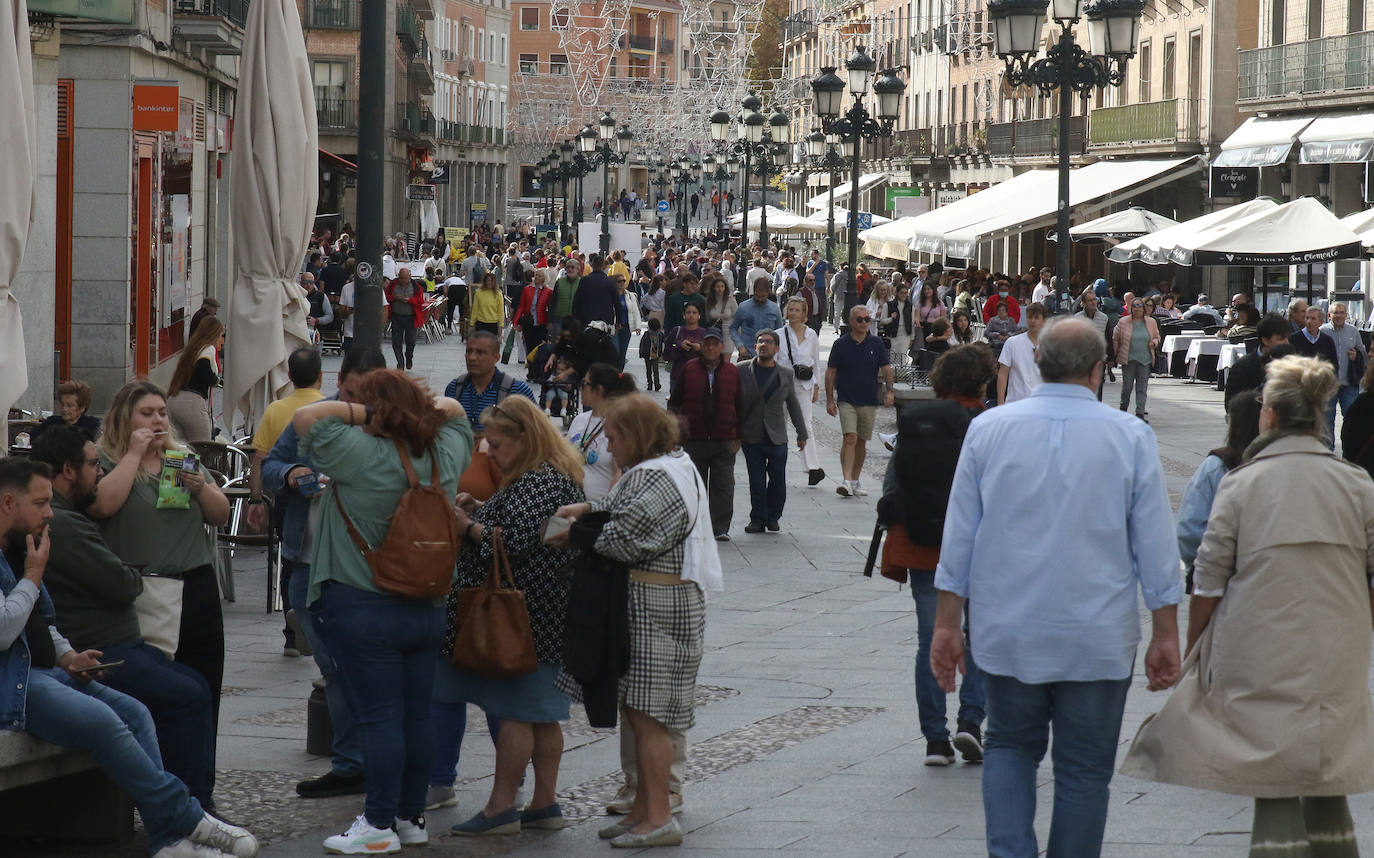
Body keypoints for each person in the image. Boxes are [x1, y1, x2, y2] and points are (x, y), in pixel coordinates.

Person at [931, 316, 1182, 858]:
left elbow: (960, 536)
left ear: (1037, 364)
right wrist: (1166, 629)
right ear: (1099, 370)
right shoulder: (1131, 436)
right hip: (1096, 636)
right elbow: (1157, 545)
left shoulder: (989, 430)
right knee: (1085, 771)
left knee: (1009, 749)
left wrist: (948, 623)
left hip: (1008, 629)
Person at [1123, 355, 1374, 857]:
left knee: (1272, 769)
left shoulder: (1241, 484)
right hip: (1338, 645)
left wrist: (1194, 649)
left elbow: (1208, 579)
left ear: (1272, 416)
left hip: (1258, 645)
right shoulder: (1357, 484)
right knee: (1328, 771)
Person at [0, 457, 261, 858]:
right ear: (7, 504)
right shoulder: (26, 556)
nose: (49, 513)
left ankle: (167, 841)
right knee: (104, 721)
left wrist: (69, 655)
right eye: (40, 503)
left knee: (136, 713)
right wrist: (34, 576)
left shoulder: (21, 546)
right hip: (13, 682)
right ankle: (189, 818)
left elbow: (40, 621)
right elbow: (3, 630)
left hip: (46, 669)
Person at [294, 371, 473, 854]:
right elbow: (456, 413)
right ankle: (410, 817)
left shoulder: (358, 454)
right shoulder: (447, 453)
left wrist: (362, 414)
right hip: (429, 604)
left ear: (375, 411)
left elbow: (305, 417)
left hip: (364, 603)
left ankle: (376, 824)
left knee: (378, 718)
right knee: (417, 717)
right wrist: (420, 409)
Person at [549, 394, 723, 848]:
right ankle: (645, 809)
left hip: (658, 604)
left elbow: (628, 537)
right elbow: (623, 511)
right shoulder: (669, 466)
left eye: (613, 439)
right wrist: (589, 514)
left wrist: (579, 536)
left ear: (634, 437)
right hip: (650, 599)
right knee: (640, 713)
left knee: (651, 719)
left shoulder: (658, 477)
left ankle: (660, 817)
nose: (609, 449)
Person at [31, 425, 218, 811]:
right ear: (69, 470)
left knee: (192, 685)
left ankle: (188, 806)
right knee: (185, 696)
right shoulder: (65, 523)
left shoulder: (70, 516)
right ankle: (185, 810)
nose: (99, 471)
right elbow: (121, 584)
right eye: (93, 464)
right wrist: (128, 571)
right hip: (98, 649)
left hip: (109, 644)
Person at [435, 396, 583, 837]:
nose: (488, 452)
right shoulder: (553, 476)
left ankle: (501, 808)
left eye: (496, 445)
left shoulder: (535, 481)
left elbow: (515, 542)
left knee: (518, 711)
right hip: (547, 611)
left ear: (525, 439)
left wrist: (467, 527)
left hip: (523, 614)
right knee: (543, 713)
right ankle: (544, 802)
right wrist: (482, 511)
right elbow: (536, 533)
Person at [262, 347, 386, 801]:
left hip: (362, 566)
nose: (358, 407)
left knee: (347, 667)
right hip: (307, 557)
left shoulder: (387, 429)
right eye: (352, 394)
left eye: (368, 398)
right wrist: (293, 473)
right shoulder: (311, 419)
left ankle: (357, 761)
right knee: (333, 666)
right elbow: (270, 467)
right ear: (341, 381)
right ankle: (355, 760)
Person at [878, 344, 994, 767]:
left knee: (931, 639)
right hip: (980, 548)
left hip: (923, 543)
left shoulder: (918, 421)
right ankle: (971, 722)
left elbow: (893, 484)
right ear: (981, 381)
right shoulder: (991, 423)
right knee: (979, 636)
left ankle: (935, 740)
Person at [246, 346, 325, 656]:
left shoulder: (276, 409)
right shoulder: (328, 409)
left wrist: (255, 499)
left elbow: (260, 459)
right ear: (321, 376)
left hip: (286, 500)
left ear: (289, 377)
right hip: (322, 499)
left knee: (289, 559)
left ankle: (291, 635)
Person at [1175, 391, 1263, 592]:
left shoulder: (1217, 466)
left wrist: (1199, 565)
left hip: (1220, 580)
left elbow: (1190, 528)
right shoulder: (1283, 464)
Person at [666, 329, 740, 541]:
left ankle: (720, 527)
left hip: (723, 437)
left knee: (723, 486)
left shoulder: (731, 371)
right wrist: (673, 428)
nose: (710, 347)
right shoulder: (689, 369)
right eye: (707, 343)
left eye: (715, 344)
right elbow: (675, 401)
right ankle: (695, 524)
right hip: (694, 438)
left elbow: (740, 404)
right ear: (702, 346)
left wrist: (739, 434)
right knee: (694, 486)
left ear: (720, 347)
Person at [737, 331, 808, 534]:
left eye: (769, 342)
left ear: (776, 348)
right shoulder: (742, 370)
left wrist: (802, 434)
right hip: (752, 434)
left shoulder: (785, 373)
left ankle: (773, 516)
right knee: (756, 481)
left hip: (777, 436)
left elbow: (793, 404)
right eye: (760, 342)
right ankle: (757, 519)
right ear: (755, 345)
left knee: (778, 481)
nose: (764, 345)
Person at [825, 305, 895, 498]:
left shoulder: (876, 343)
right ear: (851, 321)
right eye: (860, 319)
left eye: (867, 319)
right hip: (846, 398)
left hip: (869, 399)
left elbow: (887, 368)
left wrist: (890, 391)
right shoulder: (840, 344)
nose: (864, 323)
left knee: (862, 441)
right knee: (850, 438)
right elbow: (831, 371)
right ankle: (846, 481)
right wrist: (830, 399)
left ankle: (855, 480)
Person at [444, 331, 538, 436]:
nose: (472, 358)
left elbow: (539, 433)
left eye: (480, 353)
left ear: (496, 357)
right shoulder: (455, 388)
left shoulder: (517, 390)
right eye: (469, 351)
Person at [567, 364, 638, 501]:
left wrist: (606, 508)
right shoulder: (579, 420)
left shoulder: (619, 425)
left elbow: (620, 472)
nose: (580, 388)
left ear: (598, 389)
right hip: (571, 507)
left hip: (598, 511)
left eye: (584, 384)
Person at [775, 297, 825, 486]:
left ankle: (812, 468)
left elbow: (815, 361)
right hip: (782, 385)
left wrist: (816, 386)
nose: (794, 313)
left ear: (804, 314)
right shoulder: (778, 334)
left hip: (804, 385)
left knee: (806, 425)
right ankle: (775, 463)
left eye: (798, 310)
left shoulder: (812, 334)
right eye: (791, 309)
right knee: (779, 424)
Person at [165, 316, 224, 443]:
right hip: (192, 403)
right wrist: (217, 381)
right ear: (214, 334)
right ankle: (198, 464)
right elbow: (203, 368)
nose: (222, 339)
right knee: (203, 446)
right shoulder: (208, 348)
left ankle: (182, 464)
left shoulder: (193, 348)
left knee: (179, 448)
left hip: (174, 399)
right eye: (221, 335)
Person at [1226, 314, 1295, 406]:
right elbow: (1232, 404)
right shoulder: (1243, 367)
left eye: (1287, 338)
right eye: (1281, 339)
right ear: (1265, 340)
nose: (1286, 342)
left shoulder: (1292, 363)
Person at [1113, 297, 1160, 421]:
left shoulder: (1151, 322)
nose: (1137, 308)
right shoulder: (1123, 322)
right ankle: (1123, 410)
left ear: (1143, 308)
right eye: (1135, 306)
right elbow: (1116, 339)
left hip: (1145, 359)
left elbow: (1157, 337)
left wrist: (1154, 343)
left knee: (1142, 388)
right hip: (1128, 359)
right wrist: (1114, 356)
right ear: (1131, 308)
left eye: (1140, 306)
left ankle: (1140, 413)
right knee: (1127, 387)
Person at [1321, 301, 1366, 419]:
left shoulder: (1353, 331)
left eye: (1342, 313)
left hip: (1349, 383)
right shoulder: (1322, 331)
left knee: (1351, 418)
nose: (1339, 316)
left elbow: (1363, 353)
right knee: (1327, 420)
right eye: (1336, 313)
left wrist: (1356, 356)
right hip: (1328, 385)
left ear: (1346, 315)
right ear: (1329, 315)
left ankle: (1350, 438)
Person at [996, 302, 1047, 405]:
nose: (1032, 321)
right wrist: (1000, 402)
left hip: (1041, 403)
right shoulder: (1012, 342)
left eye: (1036, 317)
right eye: (1030, 317)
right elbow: (1003, 373)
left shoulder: (1051, 345)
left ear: (1044, 321)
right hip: (1015, 402)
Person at [730, 278, 785, 361]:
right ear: (753, 292)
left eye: (763, 296)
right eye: (757, 296)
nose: (760, 299)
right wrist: (740, 346)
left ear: (768, 293)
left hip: (768, 356)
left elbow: (779, 332)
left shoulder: (775, 309)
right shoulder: (743, 307)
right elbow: (733, 328)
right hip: (746, 354)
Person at [663, 304, 707, 396]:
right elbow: (666, 355)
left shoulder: (705, 334)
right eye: (688, 312)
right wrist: (679, 346)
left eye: (694, 313)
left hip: (698, 378)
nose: (691, 315)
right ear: (683, 315)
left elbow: (712, 357)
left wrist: (700, 349)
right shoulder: (676, 331)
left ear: (699, 315)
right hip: (678, 376)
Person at [385, 269, 425, 370]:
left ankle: (409, 357)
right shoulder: (393, 284)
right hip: (396, 316)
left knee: (410, 341)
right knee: (396, 342)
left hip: (411, 317)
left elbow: (420, 302)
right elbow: (386, 297)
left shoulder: (416, 287)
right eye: (401, 278)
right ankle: (400, 362)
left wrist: (410, 300)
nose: (402, 280)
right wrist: (395, 298)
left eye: (405, 278)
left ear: (410, 276)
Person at [36, 379, 101, 438]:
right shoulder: (51, 423)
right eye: (62, 404)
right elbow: (32, 439)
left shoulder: (92, 426)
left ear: (82, 408)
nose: (64, 409)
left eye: (70, 405)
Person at [514, 267, 554, 354]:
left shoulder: (548, 291)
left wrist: (551, 323)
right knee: (529, 348)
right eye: (536, 275)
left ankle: (537, 366)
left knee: (539, 349)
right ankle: (530, 366)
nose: (537, 277)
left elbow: (551, 308)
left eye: (540, 276)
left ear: (544, 278)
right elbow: (521, 306)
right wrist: (516, 322)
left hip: (541, 324)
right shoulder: (527, 289)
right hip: (528, 323)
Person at [572, 253, 618, 329]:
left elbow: (577, 300)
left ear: (592, 265)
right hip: (605, 319)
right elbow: (616, 302)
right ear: (603, 266)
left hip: (587, 318)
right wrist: (618, 321)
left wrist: (575, 316)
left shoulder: (584, 280)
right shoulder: (610, 282)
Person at [704, 275, 738, 355]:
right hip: (713, 334)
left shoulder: (731, 300)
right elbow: (706, 319)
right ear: (713, 288)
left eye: (722, 286)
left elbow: (737, 318)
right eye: (718, 286)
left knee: (726, 361)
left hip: (728, 334)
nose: (720, 289)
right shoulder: (708, 301)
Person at [470, 271, 506, 337]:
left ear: (494, 282)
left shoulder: (498, 294)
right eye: (488, 280)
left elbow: (500, 311)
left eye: (491, 281)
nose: (489, 283)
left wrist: (501, 326)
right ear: (485, 281)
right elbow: (475, 309)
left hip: (493, 324)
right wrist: (472, 324)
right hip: (480, 323)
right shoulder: (479, 293)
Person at [640, 318, 666, 393]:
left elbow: (642, 344)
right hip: (650, 355)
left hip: (652, 355)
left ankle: (653, 384)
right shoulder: (659, 334)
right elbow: (665, 342)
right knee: (654, 370)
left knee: (650, 370)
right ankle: (652, 384)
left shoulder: (649, 334)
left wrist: (641, 353)